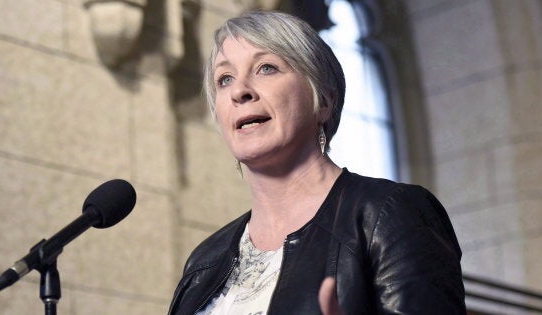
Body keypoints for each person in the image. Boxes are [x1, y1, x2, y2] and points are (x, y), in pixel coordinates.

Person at [168, 11, 465, 315]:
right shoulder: (205, 261)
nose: (239, 91)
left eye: (266, 68)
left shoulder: (389, 214)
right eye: (224, 78)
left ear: (323, 100)